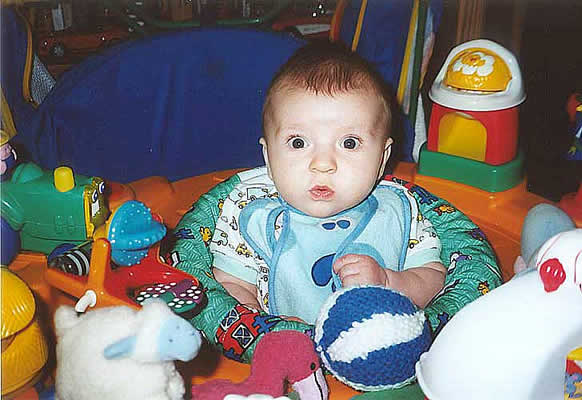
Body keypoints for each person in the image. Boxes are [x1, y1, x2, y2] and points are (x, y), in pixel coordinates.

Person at [206, 42, 446, 325]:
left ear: (382, 158)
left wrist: (388, 282)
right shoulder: (250, 212)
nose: (322, 164)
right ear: (268, 157)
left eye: (349, 143)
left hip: (376, 343)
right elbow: (230, 285)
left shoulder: (397, 211)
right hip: (282, 348)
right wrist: (262, 324)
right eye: (298, 142)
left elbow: (433, 279)